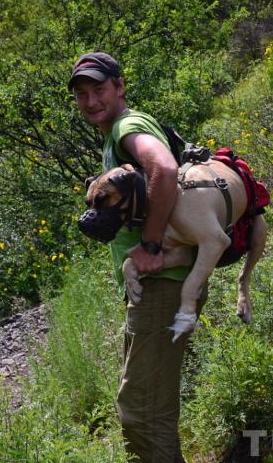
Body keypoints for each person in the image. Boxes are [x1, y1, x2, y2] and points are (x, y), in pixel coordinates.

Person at [69, 51, 206, 462]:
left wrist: (148, 244)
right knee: (147, 407)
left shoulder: (129, 127)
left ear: (120, 87)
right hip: (157, 287)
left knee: (141, 412)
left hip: (162, 285)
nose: (91, 101)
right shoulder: (116, 136)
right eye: (82, 94)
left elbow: (162, 169)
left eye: (100, 90)